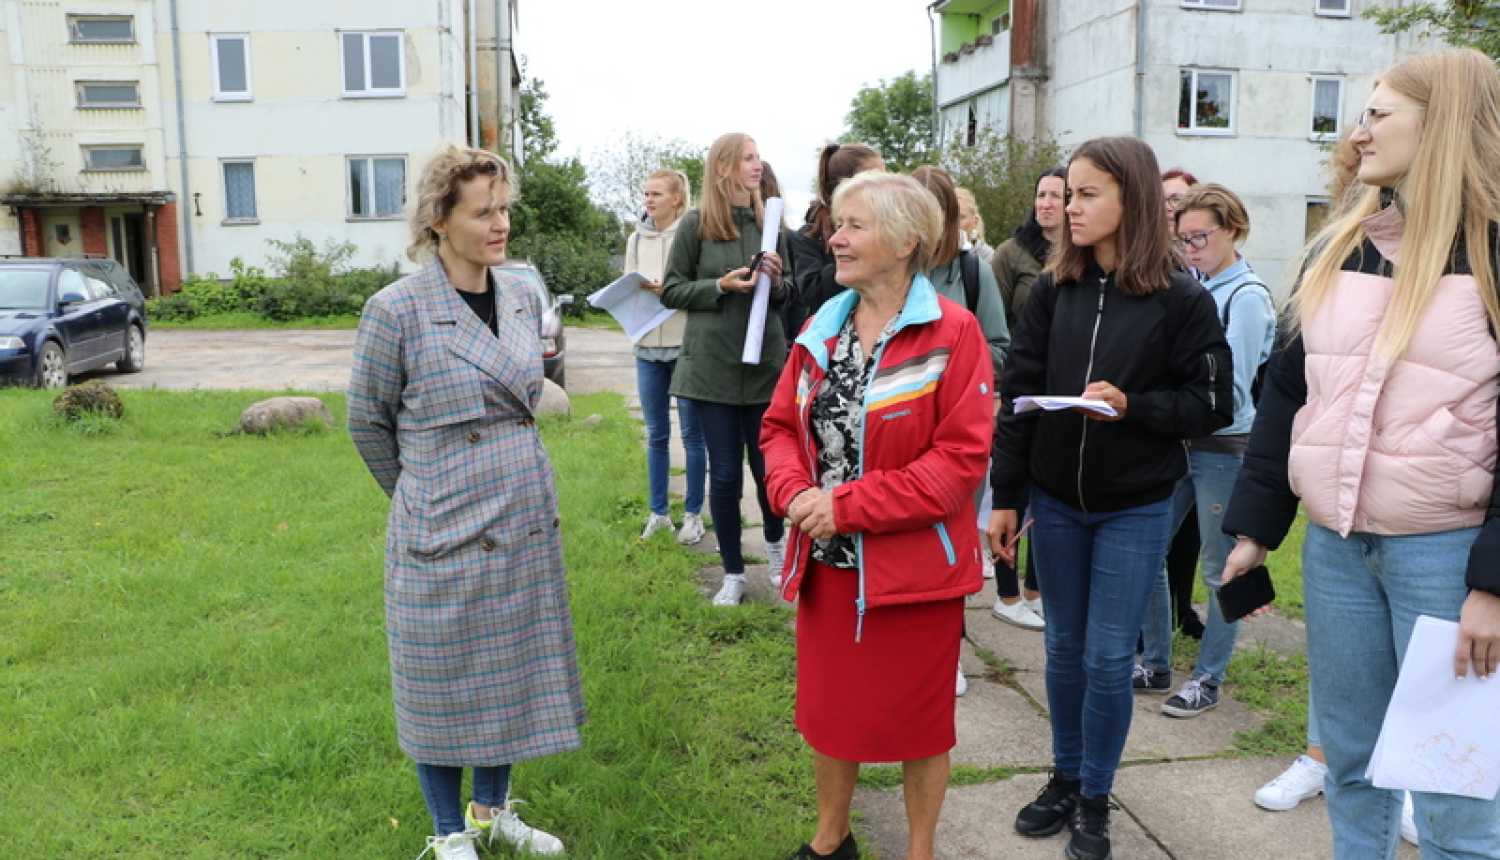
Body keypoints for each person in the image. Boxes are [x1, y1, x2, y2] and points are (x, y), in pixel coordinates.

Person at [1221, 48, 1500, 859]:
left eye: (1378, 112)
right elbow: (1287, 393)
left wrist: (1492, 584)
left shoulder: (1491, 252)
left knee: (1455, 791)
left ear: (1440, 121)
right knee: (1350, 764)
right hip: (1339, 554)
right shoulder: (1340, 243)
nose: (1358, 130)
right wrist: (1257, 526)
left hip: (1446, 562)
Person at [987, 136, 1232, 860]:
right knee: (1062, 648)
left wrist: (1136, 407)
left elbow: (1214, 401)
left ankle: (1096, 797)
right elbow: (1017, 395)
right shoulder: (1054, 291)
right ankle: (1064, 776)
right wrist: (1008, 493)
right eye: (1068, 192)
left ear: (1131, 199)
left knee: (1103, 659)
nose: (1069, 205)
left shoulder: (1180, 296)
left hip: (1135, 503)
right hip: (1057, 501)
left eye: (1088, 193)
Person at [347, 142, 581, 860]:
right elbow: (367, 419)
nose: (500, 223)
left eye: (504, 207)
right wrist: (420, 494)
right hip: (440, 525)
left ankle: (493, 810)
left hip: (519, 515)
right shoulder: (396, 310)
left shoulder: (519, 294)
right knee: (440, 681)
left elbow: (528, 392)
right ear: (439, 221)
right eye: (483, 212)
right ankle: (449, 832)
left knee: (509, 669)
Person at [761, 170, 994, 860]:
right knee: (832, 718)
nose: (835, 237)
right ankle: (831, 839)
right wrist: (794, 494)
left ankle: (919, 850)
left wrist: (845, 506)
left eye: (854, 225)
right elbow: (778, 428)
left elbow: (958, 463)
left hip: (913, 575)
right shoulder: (819, 326)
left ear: (905, 242)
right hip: (828, 568)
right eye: (838, 223)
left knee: (920, 725)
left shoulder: (954, 333)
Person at [1135, 183, 1276, 712]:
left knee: (1221, 568)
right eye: (1184, 238)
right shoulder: (1199, 286)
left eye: (1200, 237)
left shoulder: (1247, 296)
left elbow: (1231, 390)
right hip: (1182, 441)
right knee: (1147, 547)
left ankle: (1208, 679)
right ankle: (1154, 662)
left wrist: (1167, 394)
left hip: (1223, 446)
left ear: (1232, 230)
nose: (1191, 248)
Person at [660, 132, 791, 606]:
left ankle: (777, 554)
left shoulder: (770, 222)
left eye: (759, 156)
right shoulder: (695, 224)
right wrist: (719, 285)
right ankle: (733, 573)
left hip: (765, 370)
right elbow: (672, 291)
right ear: (723, 167)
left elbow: (790, 296)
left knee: (768, 471)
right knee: (725, 476)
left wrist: (776, 284)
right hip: (712, 370)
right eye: (748, 158)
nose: (758, 165)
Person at [985, 167, 1067, 630]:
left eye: (1056, 195)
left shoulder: (1081, 255)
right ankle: (1007, 590)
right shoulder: (1010, 254)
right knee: (1010, 485)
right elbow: (993, 328)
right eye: (1041, 195)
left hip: (1063, 392)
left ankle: (1036, 591)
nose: (1046, 203)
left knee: (1047, 491)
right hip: (1020, 387)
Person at [627, 168, 709, 546]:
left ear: (677, 199)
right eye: (646, 193)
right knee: (657, 434)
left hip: (684, 346)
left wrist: (672, 290)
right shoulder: (635, 238)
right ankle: (658, 514)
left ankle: (693, 515)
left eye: (656, 193)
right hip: (646, 347)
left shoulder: (693, 234)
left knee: (693, 435)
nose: (649, 199)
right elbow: (628, 286)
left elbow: (697, 286)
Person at [1160, 167, 1208, 642]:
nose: (1172, 205)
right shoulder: (1159, 262)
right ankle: (1153, 619)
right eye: (1165, 199)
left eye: (1180, 197)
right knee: (1163, 528)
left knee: (1191, 531)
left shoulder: (1209, 261)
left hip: (1204, 425)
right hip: (1166, 415)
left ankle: (1182, 607)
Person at [909, 165, 1010, 388]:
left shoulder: (974, 271)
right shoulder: (884, 271)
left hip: (952, 407)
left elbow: (999, 351)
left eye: (935, 218)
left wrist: (947, 365)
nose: (925, 229)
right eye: (916, 217)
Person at [790, 143, 884, 317]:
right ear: (847, 184)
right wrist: (852, 255)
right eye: (876, 177)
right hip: (834, 328)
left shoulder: (888, 228)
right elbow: (813, 293)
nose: (885, 184)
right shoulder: (811, 235)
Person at [955, 187, 994, 263]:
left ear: (975, 222)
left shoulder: (988, 258)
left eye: (960, 218)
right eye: (948, 217)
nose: (953, 223)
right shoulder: (932, 254)